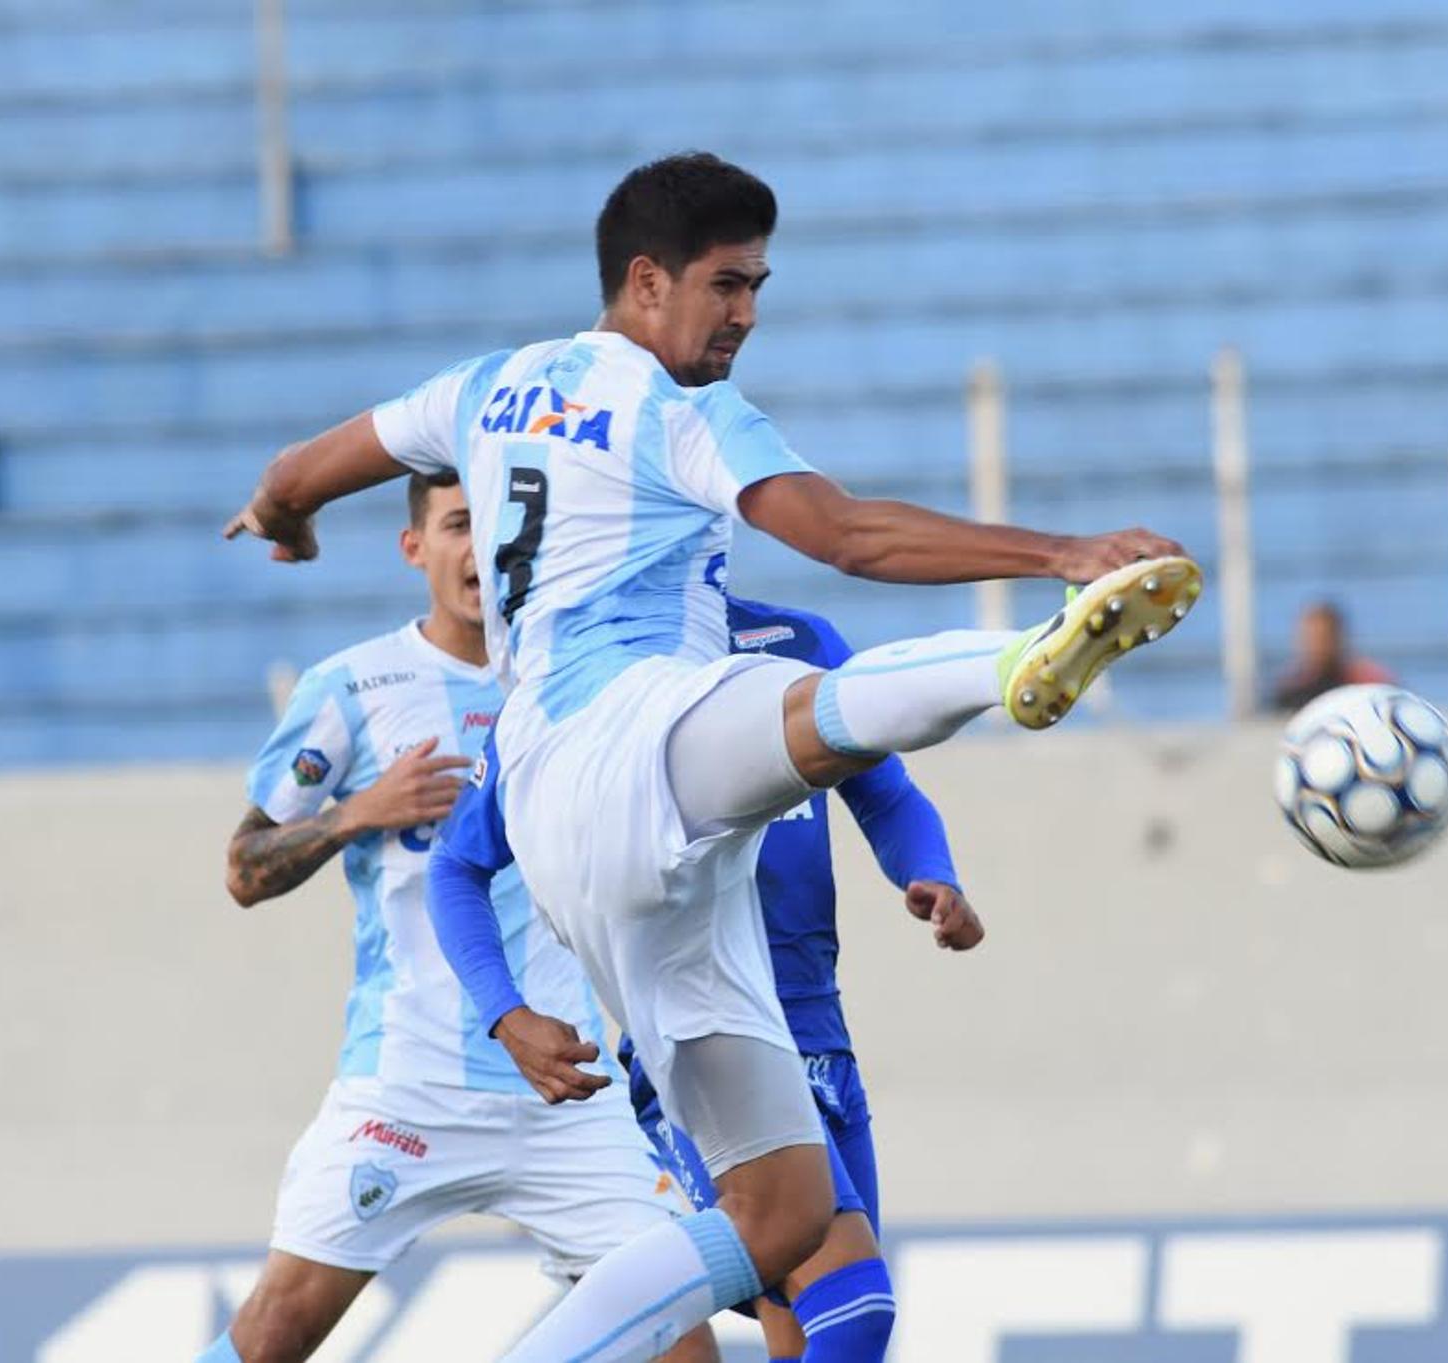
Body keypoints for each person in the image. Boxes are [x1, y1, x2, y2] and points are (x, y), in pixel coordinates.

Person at [224, 151, 1200, 1362]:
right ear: (647, 282)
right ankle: (1011, 665)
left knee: (782, 1211)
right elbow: (843, 536)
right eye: (729, 286)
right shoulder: (672, 411)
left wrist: (285, 519)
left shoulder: (482, 390)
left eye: (759, 288)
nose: (746, 315)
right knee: (812, 708)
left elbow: (291, 473)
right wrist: (1059, 546)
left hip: (578, 842)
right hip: (627, 738)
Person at [201, 472, 714, 1363]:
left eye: (495, 528)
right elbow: (244, 868)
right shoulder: (356, 686)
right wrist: (356, 812)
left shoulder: (577, 682)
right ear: (415, 547)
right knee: (271, 1338)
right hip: (409, 1085)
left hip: (568, 1089)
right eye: (456, 526)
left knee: (680, 1344)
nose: (478, 549)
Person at [431, 592, 978, 1362]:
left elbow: (886, 792)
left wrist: (932, 872)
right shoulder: (576, 690)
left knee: (809, 1332)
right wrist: (505, 1011)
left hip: (820, 1029)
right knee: (857, 1304)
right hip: (703, 1034)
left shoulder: (796, 638)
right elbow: (456, 862)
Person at [1269, 600, 1395, 712]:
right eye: (1311, 637)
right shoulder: (1290, 691)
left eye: (1323, 637)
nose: (1317, 645)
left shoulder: (1369, 686)